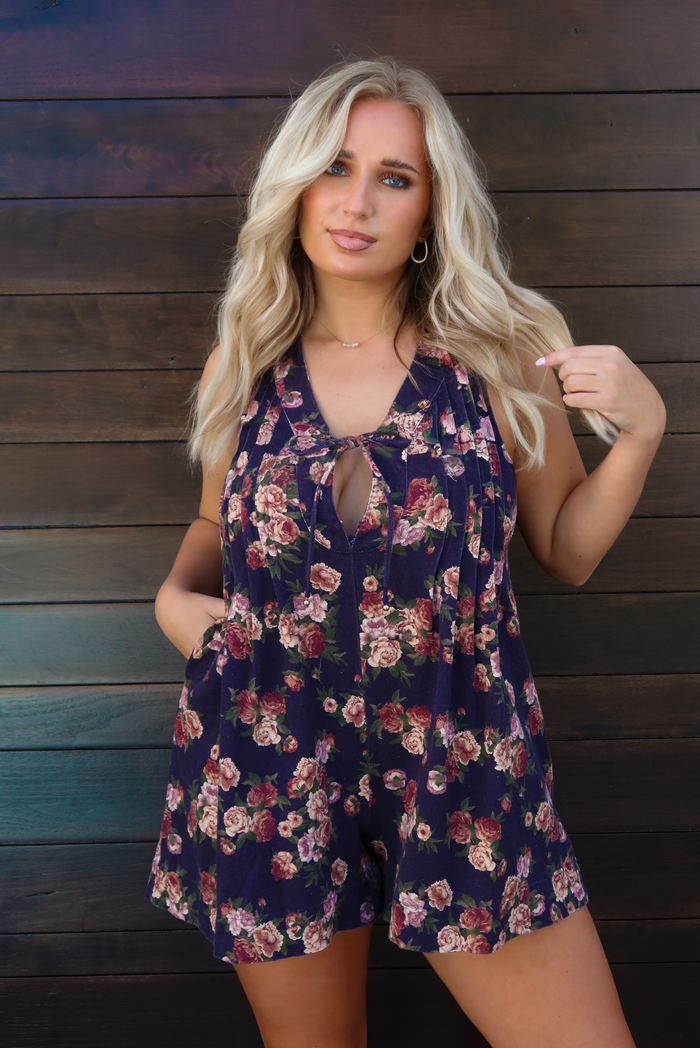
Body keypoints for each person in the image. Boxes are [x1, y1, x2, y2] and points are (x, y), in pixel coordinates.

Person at [145, 58, 664, 1048]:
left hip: (462, 759)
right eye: (335, 167)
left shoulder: (502, 356)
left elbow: (564, 547)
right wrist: (173, 598)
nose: (357, 202)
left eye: (395, 176)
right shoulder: (241, 363)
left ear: (432, 206)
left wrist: (640, 433)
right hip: (269, 757)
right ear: (293, 186)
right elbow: (217, 531)